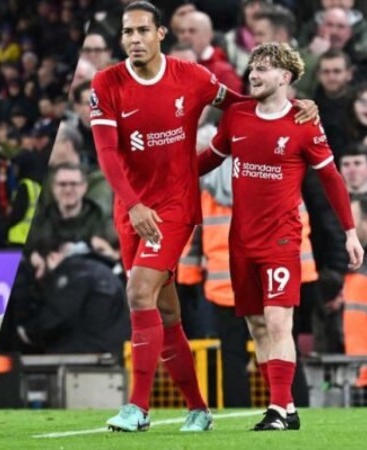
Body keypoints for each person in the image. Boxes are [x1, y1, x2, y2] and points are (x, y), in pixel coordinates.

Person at [89, 1, 316, 433]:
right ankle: (198, 408)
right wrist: (133, 205)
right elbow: (105, 153)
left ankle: (138, 408)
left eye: (141, 31)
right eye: (126, 33)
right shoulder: (106, 83)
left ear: (160, 34)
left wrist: (295, 105)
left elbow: (243, 104)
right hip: (131, 209)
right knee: (166, 311)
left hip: (174, 206)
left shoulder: (191, 78)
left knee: (138, 293)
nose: (133, 39)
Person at [198, 42, 363, 430]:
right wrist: (169, 177)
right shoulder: (237, 116)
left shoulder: (304, 122)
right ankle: (286, 408)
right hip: (241, 241)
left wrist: (350, 233)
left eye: (265, 68)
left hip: (282, 240)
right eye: (253, 66)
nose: (254, 73)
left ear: (285, 77)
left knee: (277, 322)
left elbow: (332, 179)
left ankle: (276, 409)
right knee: (257, 326)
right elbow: (210, 159)